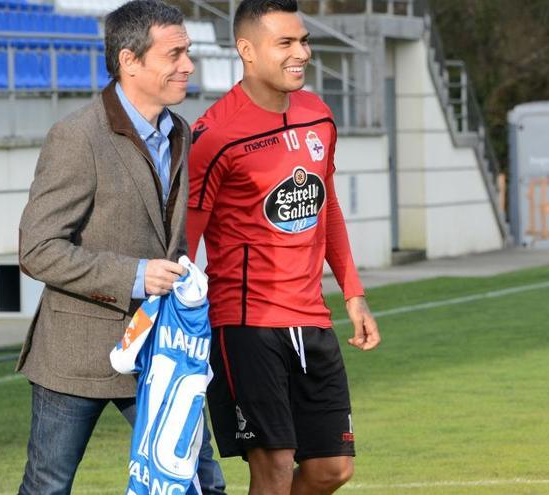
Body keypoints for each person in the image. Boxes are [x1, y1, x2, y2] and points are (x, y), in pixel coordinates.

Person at [15, 1, 225, 493]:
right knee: (47, 488)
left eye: (188, 52)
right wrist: (135, 275)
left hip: (163, 352)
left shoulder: (181, 132)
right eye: (174, 54)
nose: (188, 65)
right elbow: (38, 249)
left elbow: (166, 236)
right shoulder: (75, 137)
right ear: (130, 60)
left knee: (202, 483)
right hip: (77, 356)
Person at [186, 1, 381, 494]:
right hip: (245, 325)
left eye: (304, 41)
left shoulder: (318, 114)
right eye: (286, 43)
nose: (302, 54)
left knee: (332, 469)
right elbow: (184, 241)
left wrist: (352, 292)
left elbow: (326, 205)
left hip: (311, 319)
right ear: (247, 51)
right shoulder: (215, 135)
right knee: (272, 469)